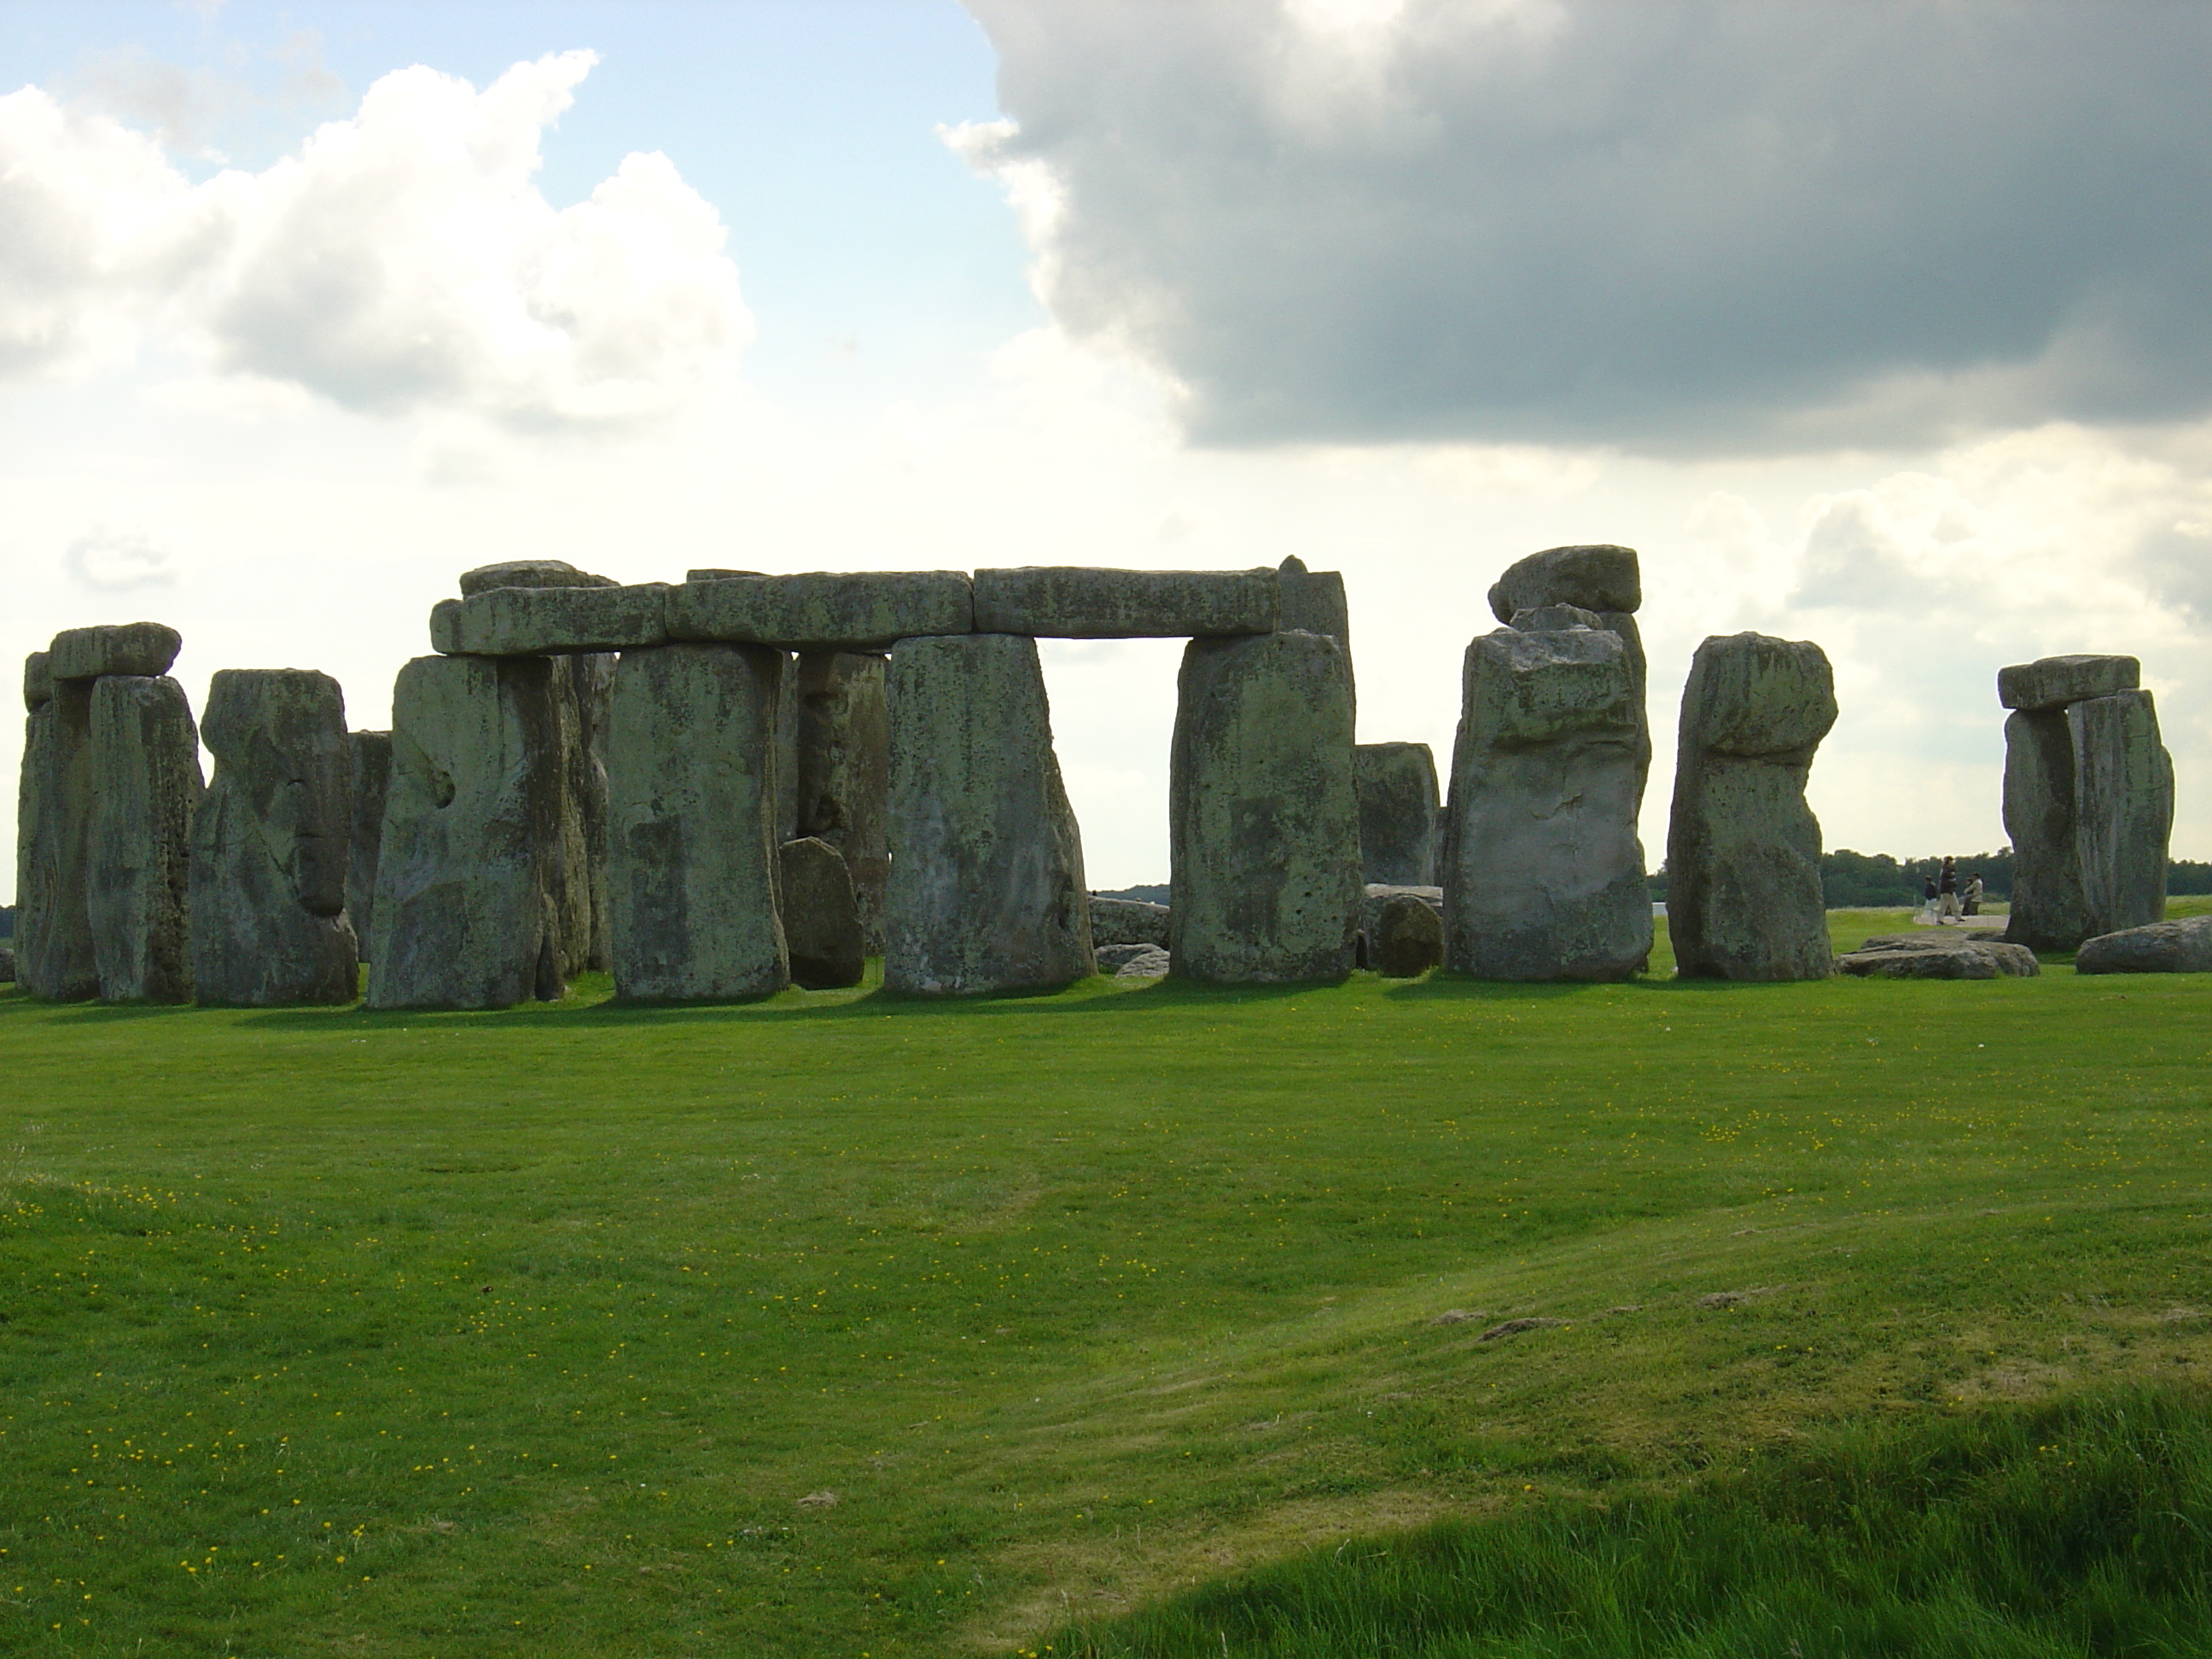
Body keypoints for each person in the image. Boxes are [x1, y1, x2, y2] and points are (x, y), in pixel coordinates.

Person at [1938, 856, 1960, 923]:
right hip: (1949, 890)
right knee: (1954, 904)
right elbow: (1949, 879)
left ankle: (1940, 919)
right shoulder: (1947, 870)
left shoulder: (1943, 869)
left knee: (1943, 906)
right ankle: (1958, 918)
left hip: (1944, 890)